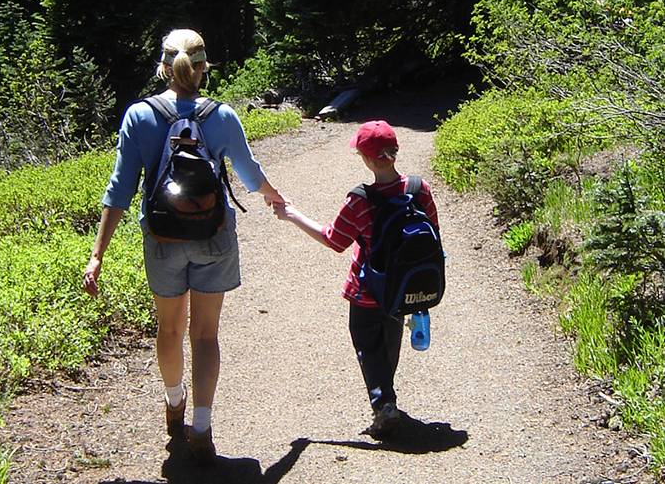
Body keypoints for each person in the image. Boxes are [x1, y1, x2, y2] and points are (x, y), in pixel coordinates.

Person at [83, 28, 285, 464]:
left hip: (162, 238)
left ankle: (175, 402)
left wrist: (97, 253)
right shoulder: (223, 115)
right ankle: (203, 426)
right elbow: (249, 175)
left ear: (164, 66)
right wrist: (274, 197)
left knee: (170, 329)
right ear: (203, 68)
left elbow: (119, 189)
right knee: (206, 335)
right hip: (213, 237)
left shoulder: (139, 115)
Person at [272, 120, 439, 437]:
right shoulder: (420, 189)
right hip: (401, 289)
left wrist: (291, 214)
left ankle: (384, 405)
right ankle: (386, 398)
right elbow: (434, 236)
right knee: (388, 344)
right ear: (395, 151)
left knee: (367, 346)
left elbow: (333, 240)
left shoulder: (360, 200)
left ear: (366, 158)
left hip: (366, 289)